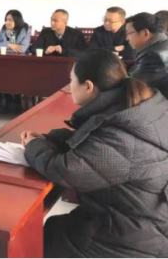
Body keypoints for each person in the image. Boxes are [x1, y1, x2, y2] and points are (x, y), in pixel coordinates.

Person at [22, 49, 168, 258]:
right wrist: (52, 138)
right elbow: (95, 143)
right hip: (142, 220)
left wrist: (33, 146)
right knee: (55, 227)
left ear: (88, 86)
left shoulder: (119, 131)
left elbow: (65, 170)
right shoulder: (136, 108)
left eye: (72, 80)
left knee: (45, 239)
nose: (69, 86)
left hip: (136, 239)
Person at [0, 10, 31, 112]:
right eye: (6, 20)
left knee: (13, 73)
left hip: (20, 63)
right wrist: (8, 44)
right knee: (1, 71)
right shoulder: (3, 30)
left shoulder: (25, 30)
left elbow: (22, 49)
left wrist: (2, 47)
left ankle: (15, 98)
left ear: (17, 20)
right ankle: (7, 97)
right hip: (4, 63)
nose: (7, 22)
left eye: (10, 20)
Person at [125, 12, 168, 90]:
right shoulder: (163, 42)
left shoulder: (153, 55)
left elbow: (134, 82)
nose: (127, 38)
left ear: (145, 33)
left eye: (128, 33)